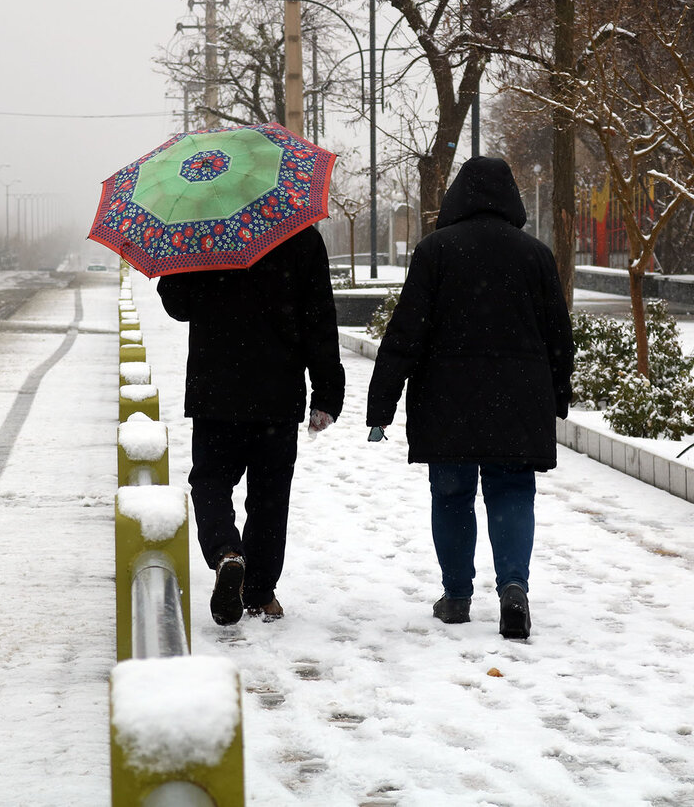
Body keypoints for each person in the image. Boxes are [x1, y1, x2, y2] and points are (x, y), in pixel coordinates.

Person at [366, 156, 575, 640]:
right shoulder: (536, 255)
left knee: (452, 495)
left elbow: (404, 334)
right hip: (519, 402)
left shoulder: (435, 251)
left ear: (456, 196)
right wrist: (557, 394)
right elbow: (559, 338)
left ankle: (457, 596)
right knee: (512, 493)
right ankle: (514, 589)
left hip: (447, 402)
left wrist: (382, 407)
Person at [158, 224, 344, 626]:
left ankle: (227, 551)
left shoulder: (201, 233)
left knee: (210, 481)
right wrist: (327, 391)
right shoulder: (299, 236)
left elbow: (178, 306)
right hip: (278, 392)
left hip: (215, 390)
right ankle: (260, 593)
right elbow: (319, 316)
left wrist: (179, 259)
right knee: (270, 495)